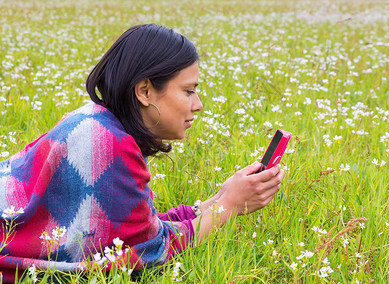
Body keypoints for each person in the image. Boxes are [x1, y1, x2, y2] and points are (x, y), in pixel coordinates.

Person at [0, 24, 284, 281]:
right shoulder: (109, 145)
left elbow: (139, 230)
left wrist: (218, 199)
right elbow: (150, 252)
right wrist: (229, 207)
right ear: (145, 92)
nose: (197, 104)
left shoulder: (98, 123)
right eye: (188, 91)